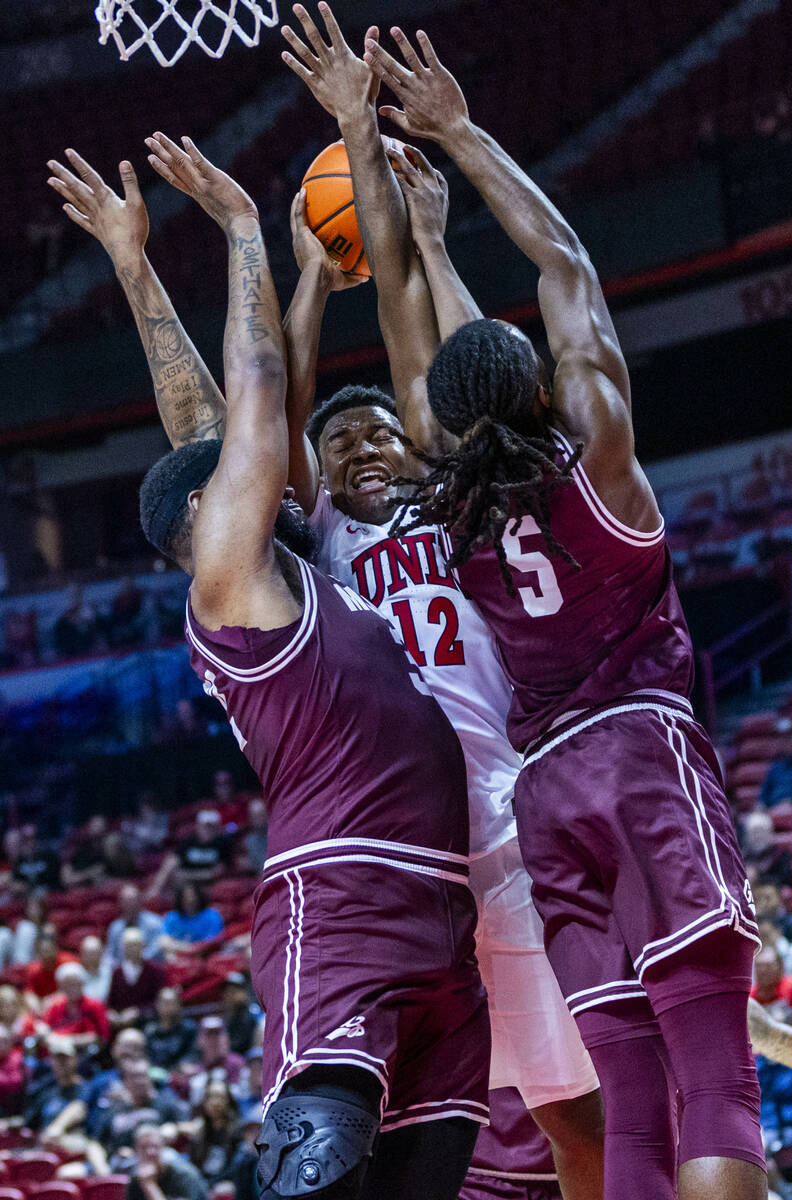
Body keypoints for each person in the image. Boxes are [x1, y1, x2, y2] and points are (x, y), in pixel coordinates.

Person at [362, 25, 763, 1200]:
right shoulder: (600, 452)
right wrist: (461, 135)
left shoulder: (448, 513)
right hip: (640, 750)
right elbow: (568, 269)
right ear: (540, 385)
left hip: (547, 796)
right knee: (715, 1073)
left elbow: (461, 393)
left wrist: (430, 247)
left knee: (630, 1096)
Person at [49, 138, 489, 1198]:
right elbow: (242, 407)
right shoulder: (231, 588)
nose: (256, 471)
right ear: (202, 520)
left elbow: (205, 427)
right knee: (315, 1179)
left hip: (440, 907)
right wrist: (245, 231)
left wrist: (132, 259)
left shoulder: (300, 571)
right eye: (230, 483)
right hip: (338, 894)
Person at [277, 12, 606, 1197]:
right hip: (392, 856)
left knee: (577, 1111)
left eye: (377, 434)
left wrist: (392, 196)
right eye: (341, 442)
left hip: (506, 826)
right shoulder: (318, 539)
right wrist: (313, 282)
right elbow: (277, 412)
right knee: (412, 1139)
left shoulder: (449, 498)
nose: (362, 449)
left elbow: (417, 333)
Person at [149, 810, 232, 897]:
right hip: (185, 884)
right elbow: (173, 863)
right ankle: (155, 890)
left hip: (209, 884)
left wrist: (187, 875)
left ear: (217, 828)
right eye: (205, 826)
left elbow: (217, 872)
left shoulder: (223, 845)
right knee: (171, 861)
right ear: (198, 826)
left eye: (211, 826)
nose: (208, 829)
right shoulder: (187, 843)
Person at [126, 1123, 209, 1200]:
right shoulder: (136, 1178)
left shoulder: (184, 1175)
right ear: (135, 1151)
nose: (150, 1152)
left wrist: (149, 1185)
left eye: (155, 1146)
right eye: (143, 1147)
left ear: (164, 1148)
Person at [42, 961, 111, 1050]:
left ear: (83, 984)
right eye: (67, 984)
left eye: (75, 984)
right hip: (57, 1052)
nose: (72, 988)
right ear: (61, 987)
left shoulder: (95, 1005)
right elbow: (46, 1029)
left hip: (86, 1053)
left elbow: (102, 1037)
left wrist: (66, 1041)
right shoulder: (55, 1006)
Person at [188, 1078, 241, 1188]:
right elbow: (194, 1165)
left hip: (227, 1184)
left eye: (220, 1097)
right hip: (203, 1183)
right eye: (211, 1097)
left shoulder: (237, 1131)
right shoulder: (199, 1132)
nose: (215, 1103)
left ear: (228, 1101)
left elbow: (235, 1167)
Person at [107, 928, 165, 1028]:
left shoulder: (154, 970)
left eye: (136, 945)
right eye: (128, 945)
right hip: (121, 1024)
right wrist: (111, 1013)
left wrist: (138, 1012)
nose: (132, 949)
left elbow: (158, 1002)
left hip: (147, 1023)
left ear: (143, 945)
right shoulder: (117, 973)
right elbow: (111, 1001)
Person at [187, 1016, 244, 1108]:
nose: (214, 1040)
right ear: (200, 1040)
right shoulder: (197, 1068)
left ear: (226, 1038)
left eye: (217, 1034)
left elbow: (241, 1096)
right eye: (209, 1035)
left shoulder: (236, 1063)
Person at [106, 884, 164, 966]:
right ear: (121, 903)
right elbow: (110, 955)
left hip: (148, 970)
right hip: (122, 973)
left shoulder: (154, 922)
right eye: (126, 901)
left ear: (140, 901)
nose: (129, 904)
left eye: (132, 900)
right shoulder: (115, 927)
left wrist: (135, 962)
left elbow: (156, 949)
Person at [145, 987, 198, 1070]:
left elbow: (192, 1054)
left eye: (171, 1003)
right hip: (154, 1074)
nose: (168, 1007)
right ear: (157, 1005)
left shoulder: (189, 1028)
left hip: (180, 1073)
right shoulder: (150, 1030)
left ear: (179, 1005)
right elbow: (146, 1055)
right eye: (164, 1003)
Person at [160, 883, 223, 953]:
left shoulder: (212, 915)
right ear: (179, 899)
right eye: (185, 897)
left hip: (203, 955)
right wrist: (186, 949)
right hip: (177, 954)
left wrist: (193, 950)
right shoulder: (171, 917)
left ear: (199, 897)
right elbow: (164, 941)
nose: (190, 900)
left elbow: (212, 941)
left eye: (193, 896)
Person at [24, 928, 77, 1009]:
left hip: (68, 1005)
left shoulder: (68, 962)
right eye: (43, 951)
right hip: (45, 1007)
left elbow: (74, 989)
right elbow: (29, 993)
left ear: (56, 949)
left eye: (48, 950)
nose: (46, 955)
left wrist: (52, 999)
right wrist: (35, 1007)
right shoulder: (34, 969)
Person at [741, 812, 792, 890]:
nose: (758, 836)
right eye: (754, 832)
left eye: (761, 831)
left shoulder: (781, 854)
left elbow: (785, 880)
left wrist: (758, 876)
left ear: (770, 832)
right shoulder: (744, 857)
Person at [220, 973, 258, 1057]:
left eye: (233, 991)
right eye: (227, 991)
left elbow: (240, 1045)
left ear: (243, 993)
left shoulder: (249, 1015)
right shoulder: (228, 1014)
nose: (229, 995)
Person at [80, 935, 113, 1003]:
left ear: (101, 953)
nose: (92, 958)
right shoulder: (76, 975)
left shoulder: (110, 973)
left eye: (95, 953)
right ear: (82, 955)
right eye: (89, 954)